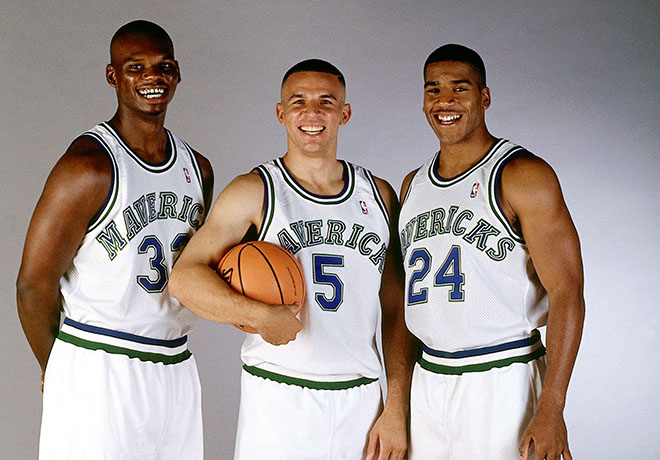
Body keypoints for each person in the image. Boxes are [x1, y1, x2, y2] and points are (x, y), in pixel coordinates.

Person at [169, 59, 412, 460]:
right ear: (281, 114)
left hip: (362, 400)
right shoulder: (255, 191)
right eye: (298, 101)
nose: (312, 113)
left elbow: (396, 308)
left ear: (344, 114)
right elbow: (183, 278)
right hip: (280, 396)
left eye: (326, 101)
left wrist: (397, 405)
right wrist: (259, 315)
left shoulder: (380, 194)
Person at [16, 20, 213, 460]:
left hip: (176, 363)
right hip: (99, 359)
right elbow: (33, 286)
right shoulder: (88, 166)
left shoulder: (197, 169)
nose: (152, 78)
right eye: (135, 67)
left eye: (163, 67)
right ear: (113, 76)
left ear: (177, 73)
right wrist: (62, 369)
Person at [398, 44, 585, 460]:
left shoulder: (523, 175)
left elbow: (568, 292)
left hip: (504, 376)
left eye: (459, 89)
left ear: (484, 97)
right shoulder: (412, 185)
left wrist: (552, 406)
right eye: (433, 90)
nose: (444, 101)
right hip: (429, 378)